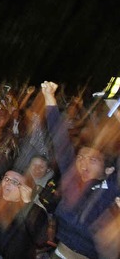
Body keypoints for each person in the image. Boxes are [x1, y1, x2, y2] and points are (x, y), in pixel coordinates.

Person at [42, 81, 119, 259]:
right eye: (80, 158)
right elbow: (60, 141)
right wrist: (49, 100)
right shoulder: (71, 181)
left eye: (92, 160)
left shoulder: (108, 191)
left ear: (106, 169)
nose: (83, 164)